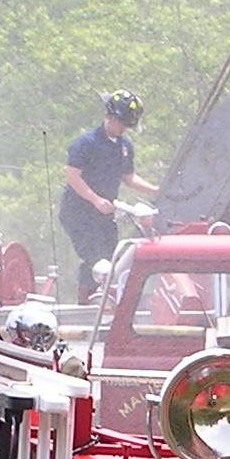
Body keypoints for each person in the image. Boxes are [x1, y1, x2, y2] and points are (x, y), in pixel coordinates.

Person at [57, 90, 158, 303]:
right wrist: (95, 200)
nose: (124, 130)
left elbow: (129, 178)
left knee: (113, 257)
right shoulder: (86, 143)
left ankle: (107, 302)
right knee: (94, 258)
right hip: (78, 212)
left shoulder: (124, 147)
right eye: (122, 124)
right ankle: (87, 304)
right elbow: (73, 177)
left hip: (104, 214)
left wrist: (157, 191)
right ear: (110, 118)